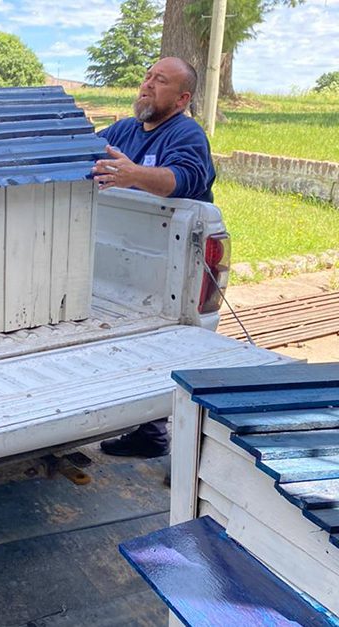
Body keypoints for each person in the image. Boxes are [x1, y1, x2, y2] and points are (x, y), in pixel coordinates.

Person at [92, 57, 216, 459]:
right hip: (128, 255)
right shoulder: (124, 130)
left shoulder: (186, 134)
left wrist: (133, 175)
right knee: (130, 344)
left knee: (173, 349)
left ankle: (190, 455)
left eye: (160, 81)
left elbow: (183, 179)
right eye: (147, 77)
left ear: (181, 99)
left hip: (175, 260)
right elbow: (88, 151)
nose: (147, 84)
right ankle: (149, 433)